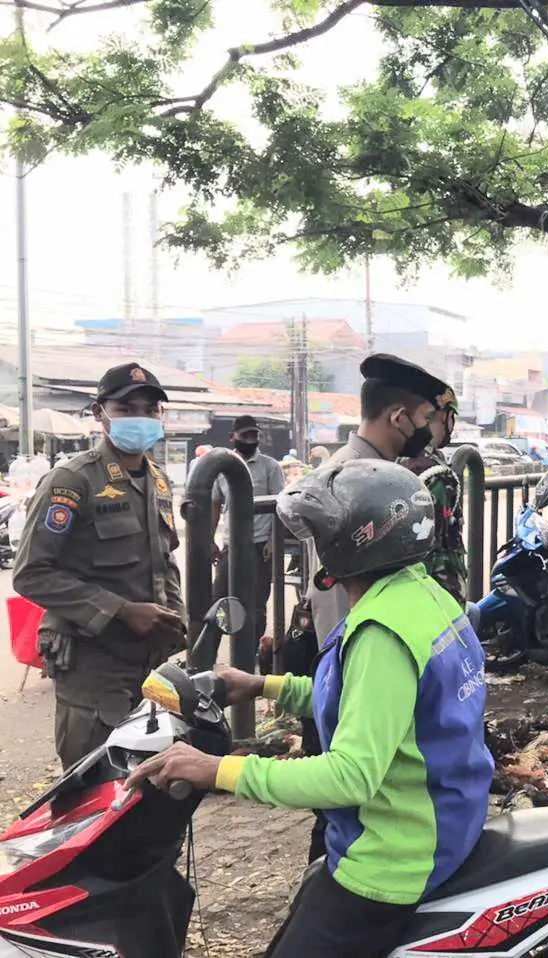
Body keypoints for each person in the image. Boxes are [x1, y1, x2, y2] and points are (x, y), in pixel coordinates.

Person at [124, 460, 492, 958]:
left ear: (351, 542)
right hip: (448, 817)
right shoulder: (424, 596)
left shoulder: (382, 632)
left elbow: (349, 777)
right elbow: (374, 700)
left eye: (319, 534)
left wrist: (219, 770)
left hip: (395, 854)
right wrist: (262, 685)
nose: (313, 546)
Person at [14, 363, 185, 769]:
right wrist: (120, 610)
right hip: (93, 661)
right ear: (99, 412)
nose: (140, 418)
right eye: (127, 408)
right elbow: (31, 573)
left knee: (146, 778)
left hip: (147, 662)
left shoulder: (158, 481)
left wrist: (179, 622)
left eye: (150, 409)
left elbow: (165, 559)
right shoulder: (72, 481)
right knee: (93, 779)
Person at [310, 353, 459, 643]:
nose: (429, 430)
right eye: (427, 418)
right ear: (399, 417)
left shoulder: (388, 477)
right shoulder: (345, 482)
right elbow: (332, 595)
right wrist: (346, 662)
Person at [198, 415, 286, 670]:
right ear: (233, 438)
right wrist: (209, 539)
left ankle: (253, 664)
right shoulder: (222, 468)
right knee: (217, 602)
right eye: (246, 435)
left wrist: (273, 540)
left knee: (256, 607)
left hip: (260, 548)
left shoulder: (270, 467)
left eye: (255, 435)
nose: (251, 440)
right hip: (230, 547)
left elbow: (279, 506)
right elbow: (215, 504)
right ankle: (205, 662)